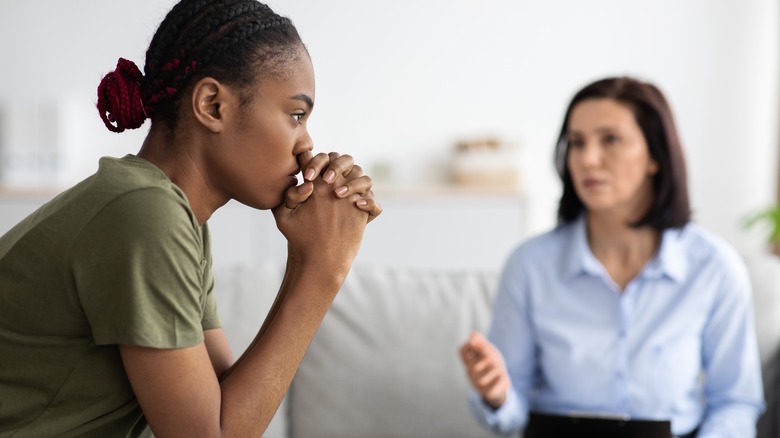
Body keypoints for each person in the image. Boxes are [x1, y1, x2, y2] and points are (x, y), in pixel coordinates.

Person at [0, 1, 382, 436]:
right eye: (296, 114)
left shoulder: (173, 216)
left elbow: (224, 405)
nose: (306, 142)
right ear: (213, 105)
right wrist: (324, 269)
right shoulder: (145, 215)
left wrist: (305, 260)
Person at [460, 76, 764, 437]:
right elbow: (513, 415)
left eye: (611, 140)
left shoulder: (714, 267)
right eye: (576, 143)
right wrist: (498, 395)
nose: (587, 159)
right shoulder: (529, 265)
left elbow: (736, 403)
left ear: (655, 156)